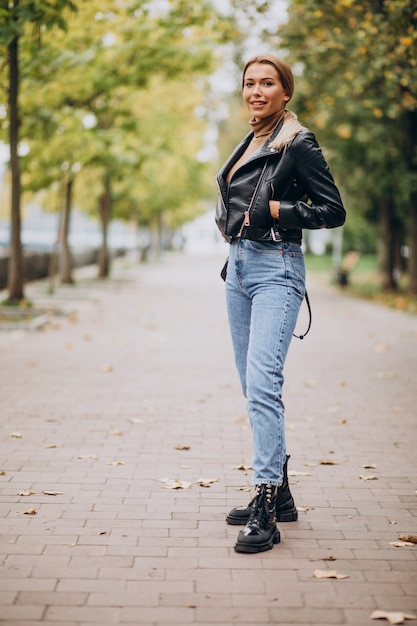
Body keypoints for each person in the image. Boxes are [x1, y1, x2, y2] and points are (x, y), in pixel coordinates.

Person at [215, 54, 345, 554]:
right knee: (252, 386)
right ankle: (282, 493)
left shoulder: (298, 142)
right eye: (249, 83)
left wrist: (275, 209)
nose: (256, 90)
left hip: (278, 268)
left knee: (263, 383)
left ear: (284, 92)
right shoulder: (249, 142)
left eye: (267, 83)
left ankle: (266, 504)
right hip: (239, 270)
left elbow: (333, 210)